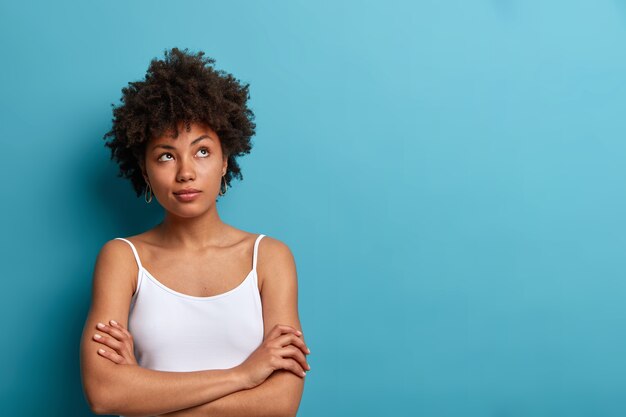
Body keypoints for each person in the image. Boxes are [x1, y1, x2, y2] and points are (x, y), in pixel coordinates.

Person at [79, 47, 310, 417]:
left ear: (224, 162)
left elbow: (281, 404)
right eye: (166, 155)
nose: (185, 172)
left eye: (202, 152)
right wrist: (243, 375)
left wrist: (142, 388)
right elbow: (104, 393)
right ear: (144, 170)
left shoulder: (268, 258)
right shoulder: (123, 259)